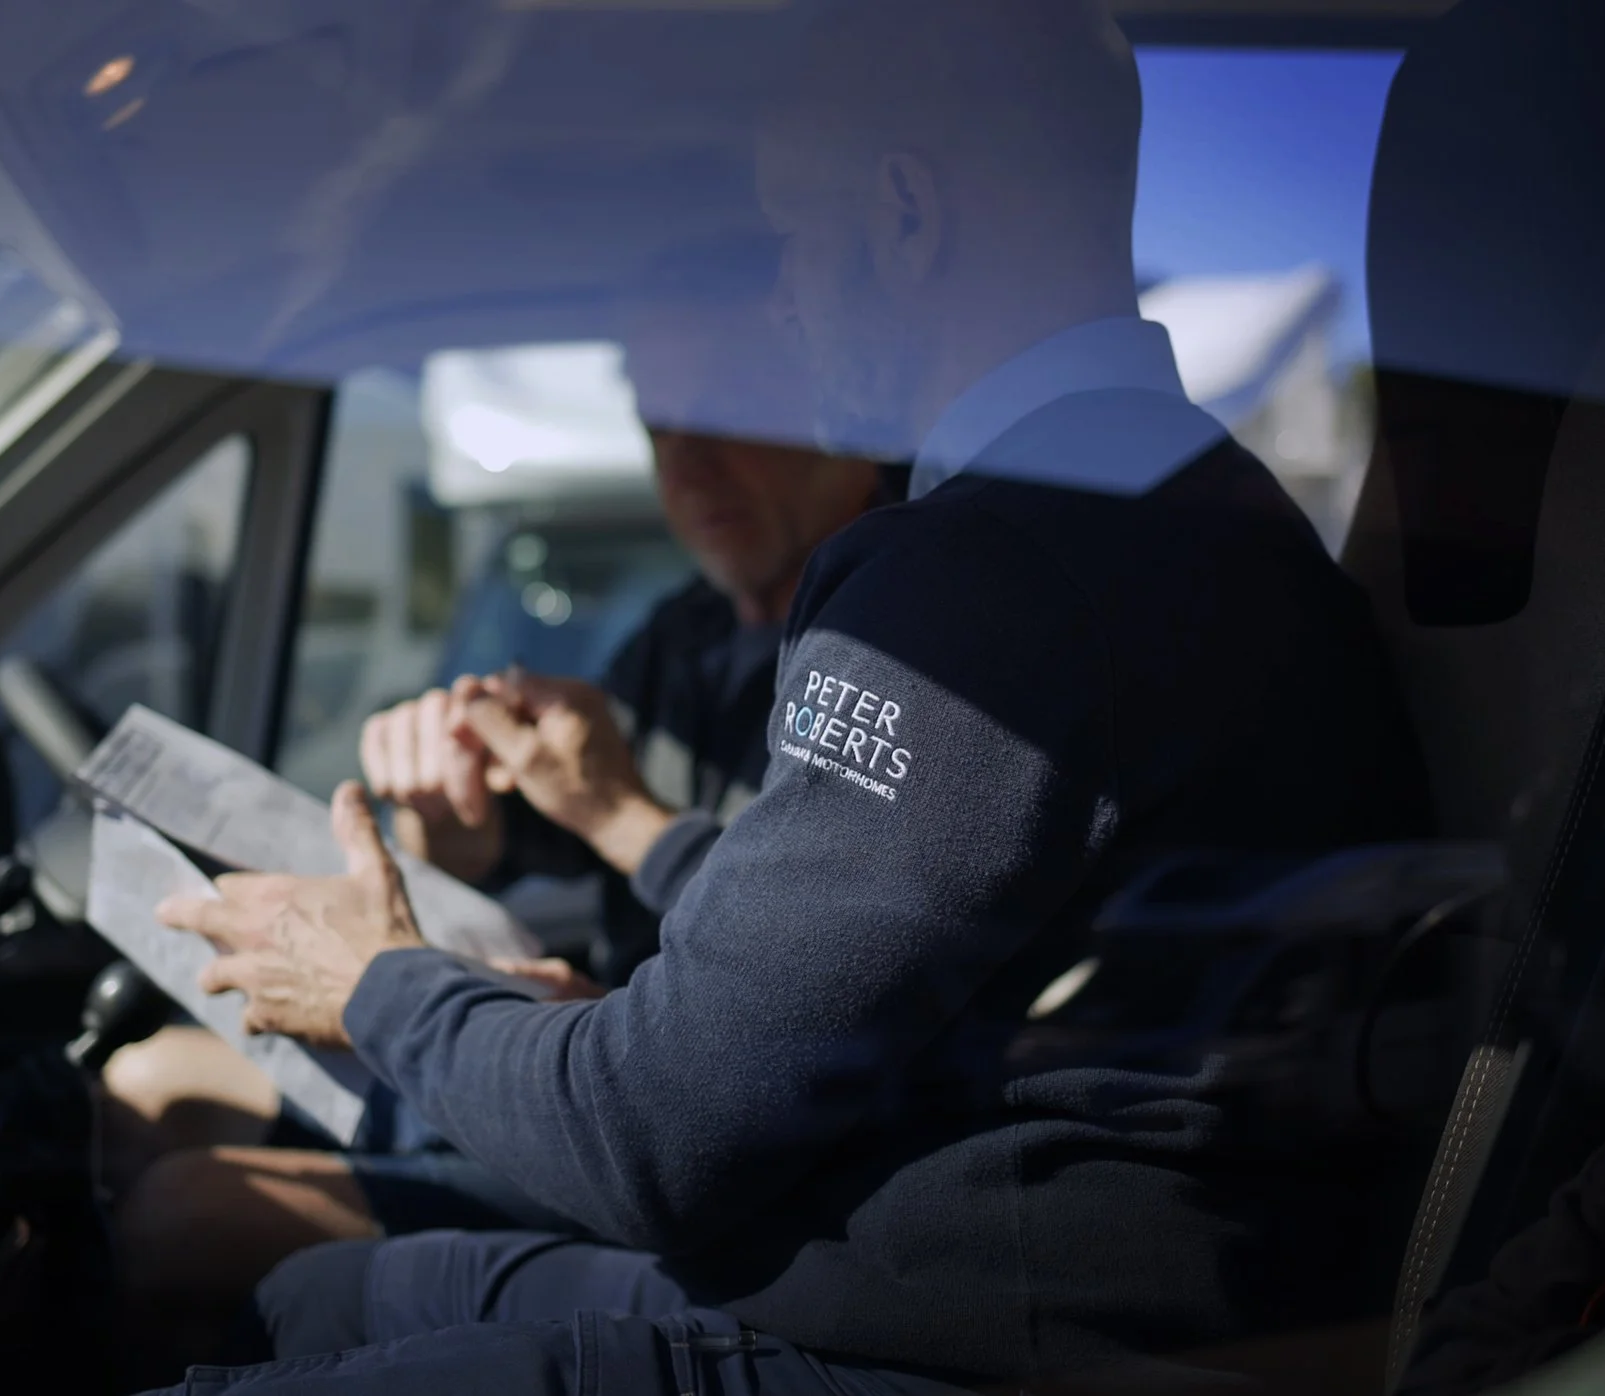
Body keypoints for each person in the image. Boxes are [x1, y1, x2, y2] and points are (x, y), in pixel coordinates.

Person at [139, 3, 1431, 1392]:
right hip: (943, 1268)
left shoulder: (999, 573)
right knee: (306, 1299)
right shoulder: (1169, 504)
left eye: (798, 233)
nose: (793, 299)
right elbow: (841, 986)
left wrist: (374, 982)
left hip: (964, 1341)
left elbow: (649, 1140)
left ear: (905, 217)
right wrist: (613, 895)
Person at [106, 244, 894, 1362]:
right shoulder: (686, 636)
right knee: (148, 1084)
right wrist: (448, 812)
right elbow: (524, 831)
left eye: (722, 414)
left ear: (836, 408)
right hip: (576, 1056)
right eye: (658, 424)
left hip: (688, 1143)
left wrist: (620, 821)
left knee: (183, 1214)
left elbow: (810, 972)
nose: (687, 465)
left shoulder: (903, 656)